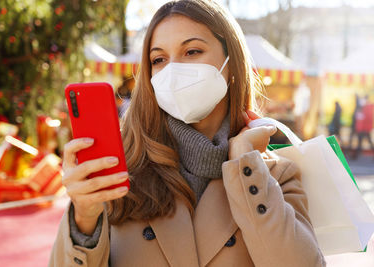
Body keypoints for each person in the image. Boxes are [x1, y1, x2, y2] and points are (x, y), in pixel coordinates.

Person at [49, 1, 325, 266]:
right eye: (159, 59)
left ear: (231, 62)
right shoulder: (120, 172)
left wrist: (244, 163)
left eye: (192, 51)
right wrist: (84, 218)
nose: (173, 70)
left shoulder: (275, 176)